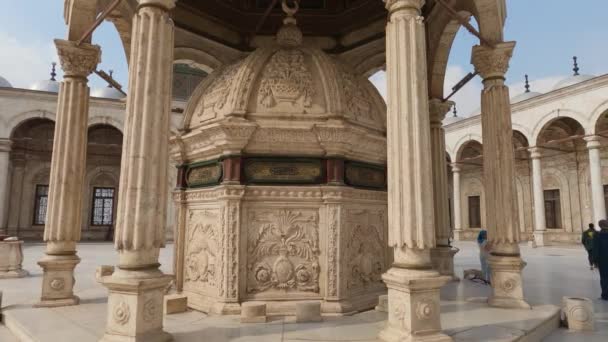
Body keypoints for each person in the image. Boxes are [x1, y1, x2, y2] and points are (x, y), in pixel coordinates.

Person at [593, 220, 608, 301]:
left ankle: (605, 295)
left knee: (604, 277)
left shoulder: (598, 235)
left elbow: (596, 249)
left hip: (603, 260)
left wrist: (595, 261)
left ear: (600, 226)